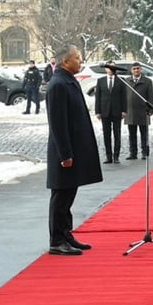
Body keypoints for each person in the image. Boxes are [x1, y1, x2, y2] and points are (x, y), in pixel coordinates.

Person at [44, 45, 102, 255]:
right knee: (61, 197)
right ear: (66, 61)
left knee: (68, 195)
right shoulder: (58, 84)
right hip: (64, 152)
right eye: (77, 58)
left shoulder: (69, 80)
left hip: (74, 148)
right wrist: (65, 154)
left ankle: (66, 234)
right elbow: (58, 124)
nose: (81, 61)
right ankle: (57, 240)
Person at [94, 61, 127, 164]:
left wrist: (124, 110)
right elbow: (98, 97)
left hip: (117, 111)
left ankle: (116, 156)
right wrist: (98, 112)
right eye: (108, 67)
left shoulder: (120, 81)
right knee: (106, 135)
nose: (110, 69)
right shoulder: (101, 81)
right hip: (105, 111)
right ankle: (108, 156)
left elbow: (124, 97)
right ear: (105, 69)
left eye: (112, 67)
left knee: (117, 134)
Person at [124, 62, 153, 160]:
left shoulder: (147, 81)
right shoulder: (127, 81)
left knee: (144, 134)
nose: (136, 70)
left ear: (141, 70)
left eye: (138, 68)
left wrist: (151, 109)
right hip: (130, 111)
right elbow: (123, 96)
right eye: (134, 69)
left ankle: (145, 152)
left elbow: (151, 96)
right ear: (131, 70)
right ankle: (133, 153)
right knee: (132, 134)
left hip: (143, 111)